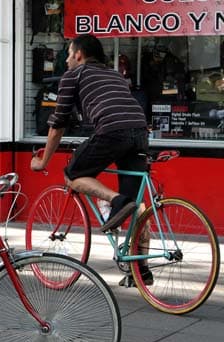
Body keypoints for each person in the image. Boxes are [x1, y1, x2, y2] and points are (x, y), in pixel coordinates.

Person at [30, 34, 152, 284]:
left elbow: (58, 124)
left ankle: (115, 200)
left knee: (73, 175)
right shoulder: (115, 76)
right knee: (136, 203)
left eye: (68, 54)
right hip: (140, 132)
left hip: (112, 132)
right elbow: (116, 106)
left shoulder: (73, 75)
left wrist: (42, 162)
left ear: (78, 54)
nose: (66, 60)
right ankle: (141, 270)